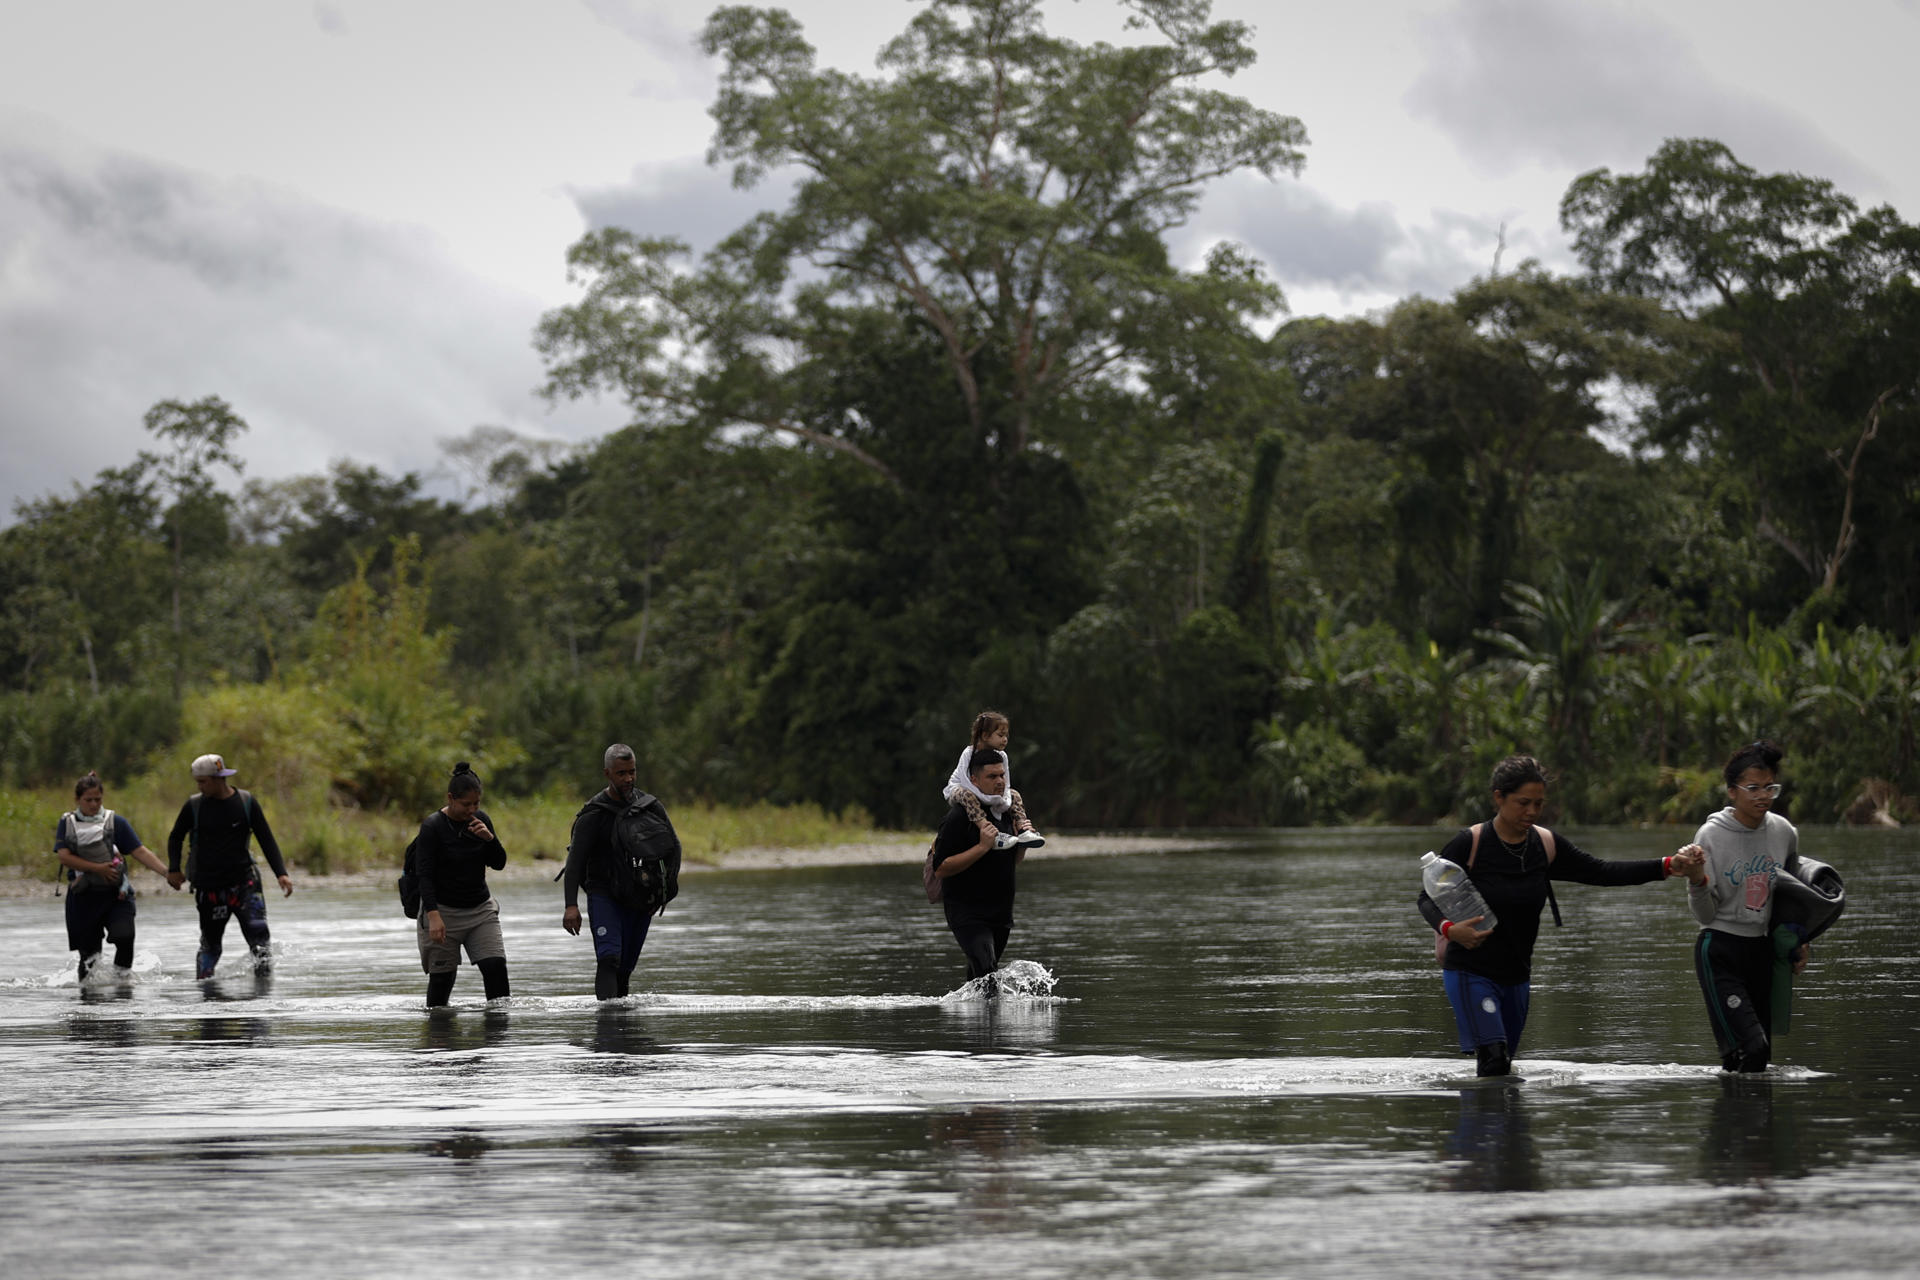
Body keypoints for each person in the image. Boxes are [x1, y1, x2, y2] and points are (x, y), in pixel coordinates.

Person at [1416, 754, 1702, 1077]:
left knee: (1503, 1066)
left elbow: (1602, 871)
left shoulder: (1545, 844)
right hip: (1470, 971)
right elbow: (1427, 898)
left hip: (1517, 976)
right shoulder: (1471, 843)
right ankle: (1480, 1125)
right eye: (1523, 803)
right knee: (1494, 1060)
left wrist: (1666, 866)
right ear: (1498, 797)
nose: (1532, 812)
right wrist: (1450, 930)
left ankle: (1505, 1127)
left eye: (1538, 804)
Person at [1675, 739, 1809, 1073]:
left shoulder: (1784, 832)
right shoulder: (1710, 835)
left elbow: (1791, 895)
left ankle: (1741, 1122)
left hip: (1761, 950)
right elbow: (1705, 915)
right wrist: (1696, 879)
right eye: (1753, 788)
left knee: (1756, 1061)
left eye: (1769, 787)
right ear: (1732, 791)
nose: (1763, 796)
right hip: (1719, 950)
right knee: (1752, 1047)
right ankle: (1735, 1119)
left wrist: (1800, 941)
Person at [561, 744, 682, 1000]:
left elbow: (674, 848)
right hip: (603, 894)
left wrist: (662, 894)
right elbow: (575, 863)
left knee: (625, 970)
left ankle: (622, 1034)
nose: (628, 779)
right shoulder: (592, 815)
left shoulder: (650, 807)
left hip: (640, 897)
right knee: (609, 960)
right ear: (607, 774)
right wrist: (571, 906)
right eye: (621, 774)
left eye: (632, 772)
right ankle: (606, 1027)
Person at [165, 753, 293, 978]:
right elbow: (175, 837)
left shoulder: (246, 803)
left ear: (218, 778)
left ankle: (263, 993)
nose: (199, 786)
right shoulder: (194, 806)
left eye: (203, 782)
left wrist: (281, 873)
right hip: (209, 887)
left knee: (259, 937)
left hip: (245, 883)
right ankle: (206, 993)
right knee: (210, 945)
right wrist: (174, 869)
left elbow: (266, 838)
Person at [54, 771, 174, 984]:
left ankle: (122, 986)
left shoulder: (115, 822)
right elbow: (64, 857)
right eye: (88, 800)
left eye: (97, 799)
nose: (93, 804)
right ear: (77, 799)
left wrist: (167, 873)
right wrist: (98, 868)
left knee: (124, 937)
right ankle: (88, 1002)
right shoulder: (67, 823)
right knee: (89, 957)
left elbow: (140, 851)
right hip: (83, 898)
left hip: (116, 896)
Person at [930, 747, 1028, 990]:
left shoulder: (1005, 811)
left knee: (979, 979)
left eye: (1002, 775)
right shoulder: (959, 816)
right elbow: (940, 868)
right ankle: (988, 1025)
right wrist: (983, 847)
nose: (1000, 782)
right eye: (992, 777)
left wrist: (1022, 842)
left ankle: (971, 1023)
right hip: (967, 912)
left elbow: (1012, 861)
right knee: (988, 973)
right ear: (974, 779)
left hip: (1001, 912)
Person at [415, 762, 510, 1008]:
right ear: (450, 798)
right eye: (466, 804)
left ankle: (499, 1039)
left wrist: (489, 840)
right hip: (443, 912)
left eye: (476, 804)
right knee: (442, 981)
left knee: (495, 967)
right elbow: (423, 875)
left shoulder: (481, 820)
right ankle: (439, 1038)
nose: (472, 810)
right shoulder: (432, 826)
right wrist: (433, 916)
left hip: (480, 910)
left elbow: (499, 863)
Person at [942, 710, 1045, 852]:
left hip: (985, 791)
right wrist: (986, 798)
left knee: (1014, 794)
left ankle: (1023, 830)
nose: (1005, 739)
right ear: (985, 735)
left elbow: (1006, 782)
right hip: (962, 789)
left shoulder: (1002, 755)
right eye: (1001, 735)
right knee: (966, 795)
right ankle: (990, 831)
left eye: (1006, 736)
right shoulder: (969, 753)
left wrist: (1003, 801)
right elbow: (966, 781)